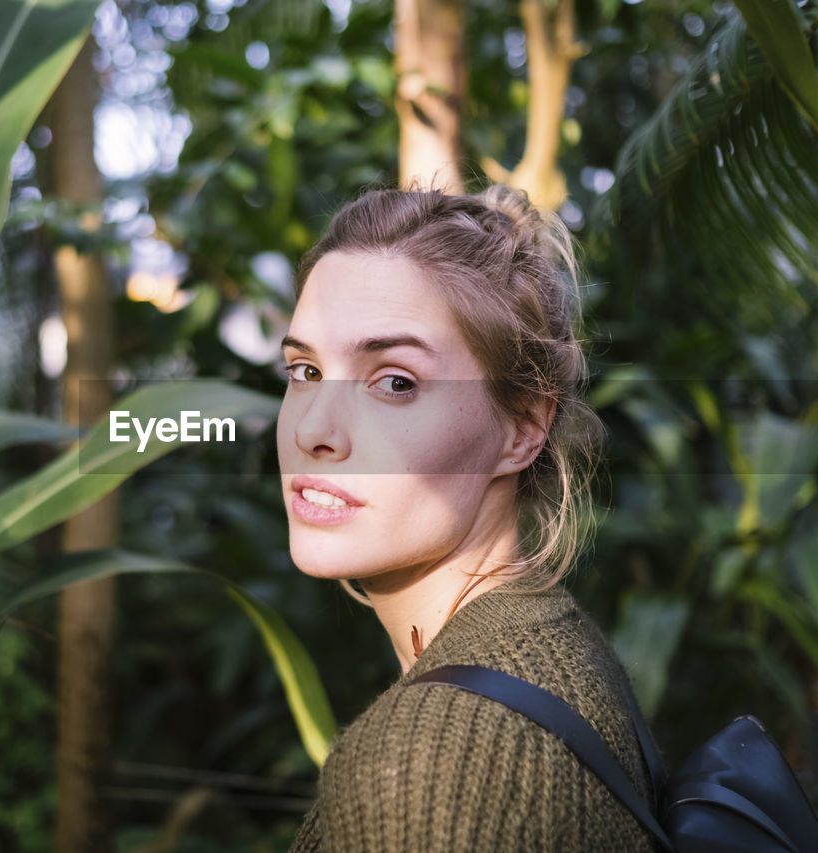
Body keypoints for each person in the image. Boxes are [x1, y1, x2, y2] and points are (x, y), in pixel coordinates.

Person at [277, 185, 657, 851]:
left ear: (522, 429)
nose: (313, 427)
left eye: (394, 381)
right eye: (305, 370)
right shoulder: (553, 638)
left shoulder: (430, 772)